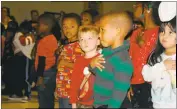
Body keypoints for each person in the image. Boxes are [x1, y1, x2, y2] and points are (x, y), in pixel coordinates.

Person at [88, 11, 133, 108]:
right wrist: (92, 65)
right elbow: (103, 74)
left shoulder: (122, 59)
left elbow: (120, 90)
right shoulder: (107, 52)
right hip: (101, 103)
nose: (99, 35)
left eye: (102, 30)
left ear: (117, 31)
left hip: (113, 105)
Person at [142, 2, 176, 108]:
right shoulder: (156, 57)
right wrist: (162, 66)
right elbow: (146, 75)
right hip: (158, 105)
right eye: (162, 31)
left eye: (170, 32)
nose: (164, 36)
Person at [128, 2, 160, 108]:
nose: (133, 6)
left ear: (147, 9)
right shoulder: (135, 32)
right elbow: (129, 58)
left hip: (149, 85)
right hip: (132, 84)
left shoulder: (161, 33)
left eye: (137, 5)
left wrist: (142, 45)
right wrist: (127, 82)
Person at [56, 13, 83, 108]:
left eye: (72, 26)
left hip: (72, 91)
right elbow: (60, 69)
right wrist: (57, 88)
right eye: (64, 27)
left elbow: (83, 67)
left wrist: (64, 63)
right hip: (62, 90)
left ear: (79, 27)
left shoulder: (81, 46)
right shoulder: (66, 45)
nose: (67, 29)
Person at [70, 25, 100, 108]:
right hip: (82, 103)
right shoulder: (79, 61)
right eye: (82, 39)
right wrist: (73, 102)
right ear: (79, 43)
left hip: (99, 103)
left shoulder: (102, 58)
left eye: (89, 38)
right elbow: (74, 82)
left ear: (98, 41)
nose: (85, 42)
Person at [33, 14, 58, 108]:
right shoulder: (53, 38)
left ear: (45, 26)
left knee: (43, 100)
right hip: (51, 72)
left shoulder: (44, 41)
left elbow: (42, 61)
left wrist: (39, 77)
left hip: (44, 73)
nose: (37, 27)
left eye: (39, 25)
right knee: (49, 99)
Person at [12, 20, 35, 102]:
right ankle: (18, 93)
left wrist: (22, 36)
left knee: (26, 77)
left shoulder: (30, 36)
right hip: (18, 58)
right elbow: (14, 46)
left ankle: (27, 94)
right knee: (18, 76)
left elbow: (24, 42)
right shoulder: (19, 35)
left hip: (26, 58)